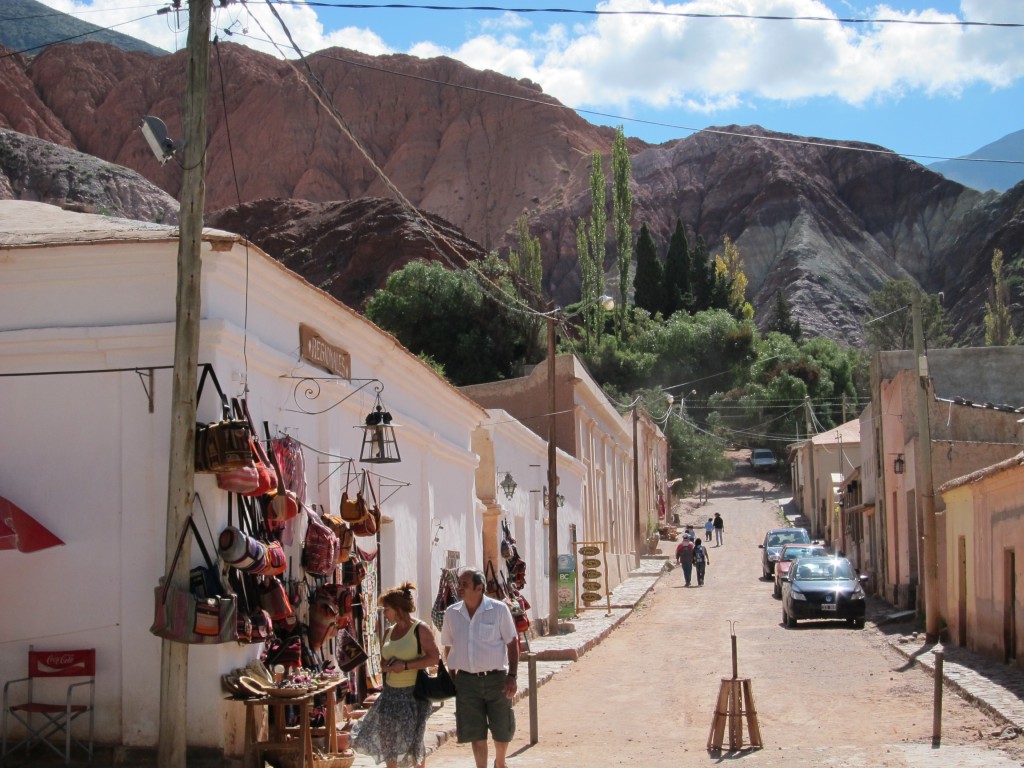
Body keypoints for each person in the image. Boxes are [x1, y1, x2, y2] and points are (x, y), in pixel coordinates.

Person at [352, 582, 440, 768]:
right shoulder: (389, 632)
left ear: (398, 609)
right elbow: (384, 660)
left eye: (387, 608)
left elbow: (434, 658)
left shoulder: (420, 629)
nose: (384, 613)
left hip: (413, 694)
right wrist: (386, 666)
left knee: (413, 742)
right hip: (390, 693)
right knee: (387, 740)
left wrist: (406, 665)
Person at [441, 567, 519, 768]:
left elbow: (512, 643)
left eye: (464, 584)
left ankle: (500, 762)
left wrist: (512, 676)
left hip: (497, 680)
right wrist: (452, 679)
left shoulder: (499, 610)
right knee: (476, 732)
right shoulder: (451, 614)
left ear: (479, 587)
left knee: (502, 727)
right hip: (466, 681)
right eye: (459, 583)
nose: (459, 588)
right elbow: (448, 647)